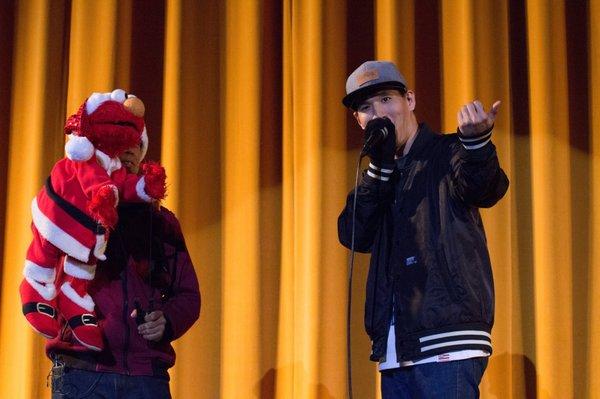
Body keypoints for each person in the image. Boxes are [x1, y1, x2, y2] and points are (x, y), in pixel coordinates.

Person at [338, 60, 509, 398]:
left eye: (387, 99)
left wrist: (476, 147)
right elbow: (353, 233)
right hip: (395, 347)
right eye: (366, 108)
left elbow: (485, 188)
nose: (379, 114)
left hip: (449, 338)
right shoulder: (378, 177)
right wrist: (378, 170)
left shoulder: (448, 152)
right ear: (358, 121)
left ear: (410, 100)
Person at [47, 141, 201, 399]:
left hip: (146, 377)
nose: (128, 150)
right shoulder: (69, 210)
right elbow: (43, 278)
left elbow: (188, 295)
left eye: (136, 144)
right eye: (119, 141)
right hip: (81, 372)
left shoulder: (163, 223)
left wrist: (167, 319)